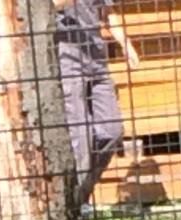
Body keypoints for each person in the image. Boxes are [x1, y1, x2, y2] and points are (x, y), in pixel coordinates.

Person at [54, 0, 139, 208]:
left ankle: (78, 196)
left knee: (113, 131)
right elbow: (50, 7)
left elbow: (107, 11)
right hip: (68, 56)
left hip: (97, 58)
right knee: (80, 137)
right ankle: (74, 206)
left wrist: (126, 44)